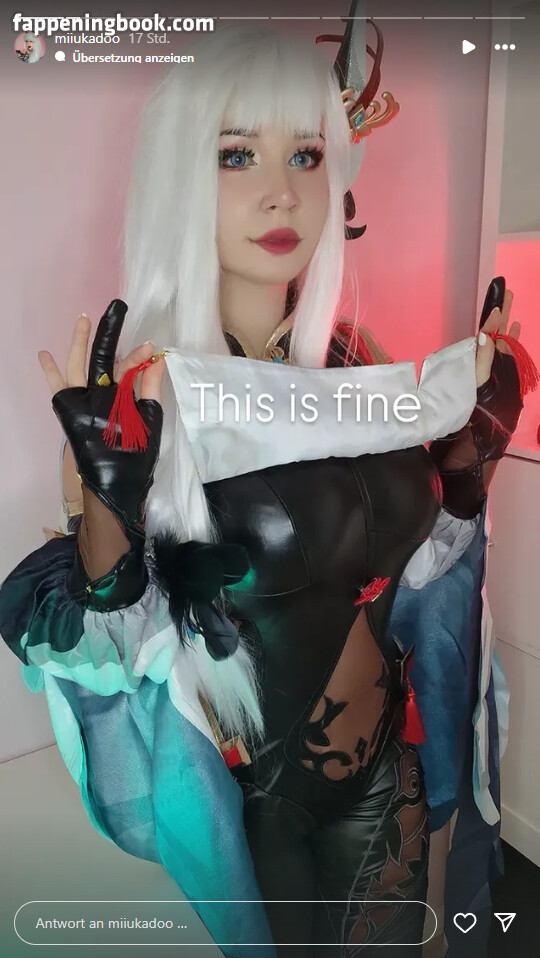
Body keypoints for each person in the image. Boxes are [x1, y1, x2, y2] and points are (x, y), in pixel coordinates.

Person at [0, 14, 531, 958]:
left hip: (385, 770)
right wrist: (109, 509)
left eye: (307, 155)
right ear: (180, 176)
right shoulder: (140, 398)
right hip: (259, 804)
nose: (282, 191)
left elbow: (420, 564)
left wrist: (473, 449)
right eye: (237, 156)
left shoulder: (359, 365)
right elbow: (116, 647)